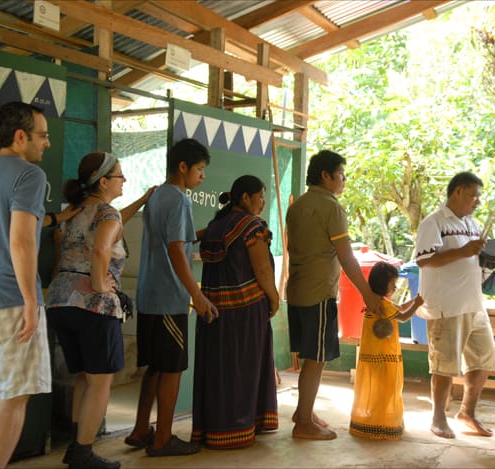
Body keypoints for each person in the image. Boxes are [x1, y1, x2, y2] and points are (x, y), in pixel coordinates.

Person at [0, 101, 76, 469]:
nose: (47, 144)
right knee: (14, 397)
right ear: (21, 136)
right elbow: (21, 240)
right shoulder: (29, 176)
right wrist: (30, 301)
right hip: (10, 300)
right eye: (42, 136)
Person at [45, 152, 151, 469]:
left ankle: (77, 443)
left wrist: (143, 199)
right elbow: (103, 247)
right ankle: (83, 453)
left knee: (85, 377)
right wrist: (101, 285)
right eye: (120, 175)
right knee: (102, 381)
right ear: (103, 181)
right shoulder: (107, 214)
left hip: (61, 301)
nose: (125, 180)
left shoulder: (76, 211)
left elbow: (114, 223)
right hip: (92, 305)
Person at [124, 138, 218, 457]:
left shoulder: (157, 197)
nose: (202, 176)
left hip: (149, 296)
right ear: (183, 167)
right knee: (172, 369)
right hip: (169, 298)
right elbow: (177, 249)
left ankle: (140, 430)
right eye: (200, 169)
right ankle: (162, 438)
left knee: (155, 367)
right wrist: (198, 295)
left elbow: (180, 243)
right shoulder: (179, 200)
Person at [286, 149, 381, 441]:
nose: (344, 181)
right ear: (325, 175)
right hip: (318, 294)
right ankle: (303, 421)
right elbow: (347, 258)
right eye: (340, 175)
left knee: (310, 358)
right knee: (316, 360)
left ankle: (305, 412)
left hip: (297, 290)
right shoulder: (331, 207)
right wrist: (368, 294)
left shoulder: (297, 206)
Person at [190, 175, 280, 449]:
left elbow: (191, 239)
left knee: (218, 370)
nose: (263, 203)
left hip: (214, 311)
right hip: (245, 310)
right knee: (243, 370)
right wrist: (274, 298)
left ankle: (213, 429)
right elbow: (262, 269)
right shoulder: (252, 227)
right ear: (245, 198)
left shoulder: (216, 226)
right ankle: (239, 428)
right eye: (261, 196)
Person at [414, 171, 495, 440]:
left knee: (484, 359)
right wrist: (464, 251)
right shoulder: (434, 222)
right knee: (444, 366)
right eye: (474, 196)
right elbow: (424, 260)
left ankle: (467, 413)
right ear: (458, 191)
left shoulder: (472, 225)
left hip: (474, 304)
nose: (476, 202)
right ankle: (438, 417)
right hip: (446, 306)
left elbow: (472, 259)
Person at [349, 261, 424, 440]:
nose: (395, 286)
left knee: (376, 390)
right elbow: (404, 317)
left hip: (371, 357)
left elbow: (398, 309)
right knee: (387, 391)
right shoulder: (383, 305)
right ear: (384, 284)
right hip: (384, 358)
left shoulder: (376, 303)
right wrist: (417, 304)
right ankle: (381, 424)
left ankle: (370, 422)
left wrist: (414, 300)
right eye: (393, 283)